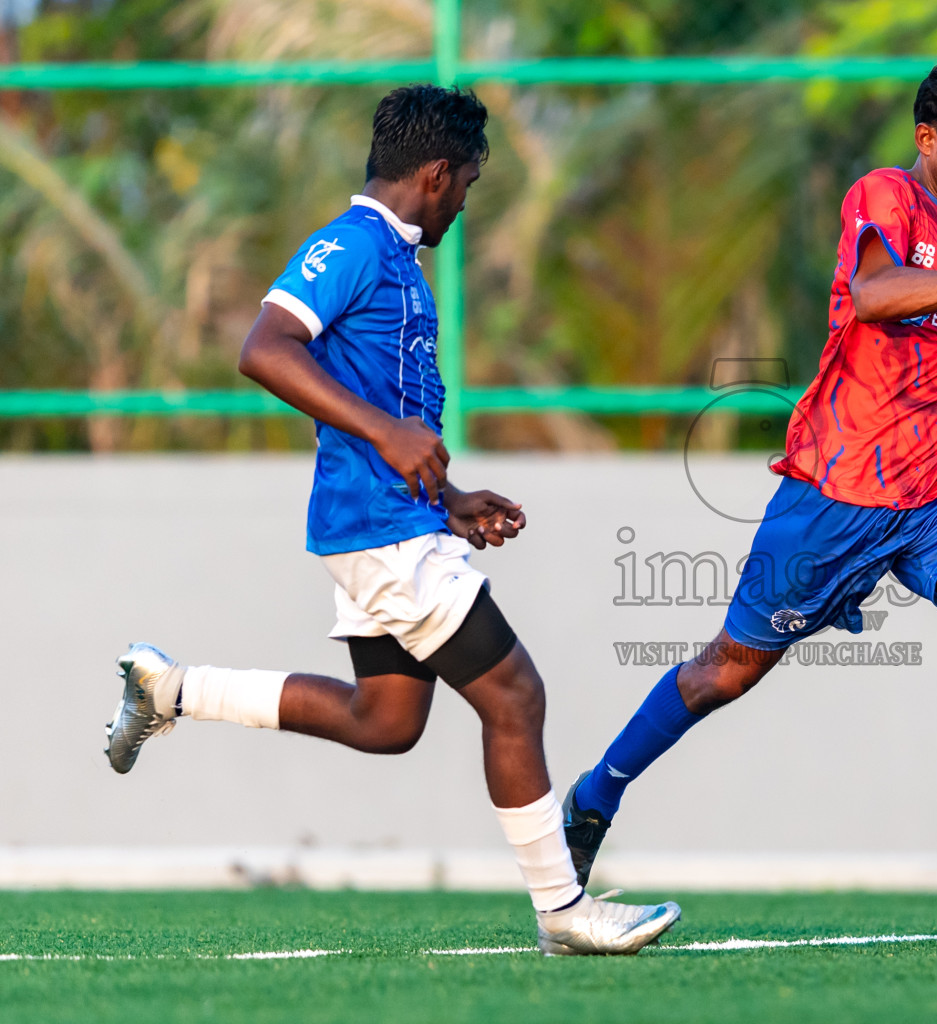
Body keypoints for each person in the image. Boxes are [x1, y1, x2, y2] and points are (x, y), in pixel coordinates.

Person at [103, 84, 680, 957]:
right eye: (468, 186)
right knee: (516, 695)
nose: (464, 205)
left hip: (394, 524)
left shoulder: (397, 260)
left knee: (386, 722)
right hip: (380, 533)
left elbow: (389, 411)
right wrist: (387, 437)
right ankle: (562, 910)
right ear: (440, 173)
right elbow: (262, 348)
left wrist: (450, 502)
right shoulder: (352, 244)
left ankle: (172, 690)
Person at [562, 59, 937, 945]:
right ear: (928, 140)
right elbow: (876, 298)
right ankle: (594, 797)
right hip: (839, 487)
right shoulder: (882, 195)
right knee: (725, 670)